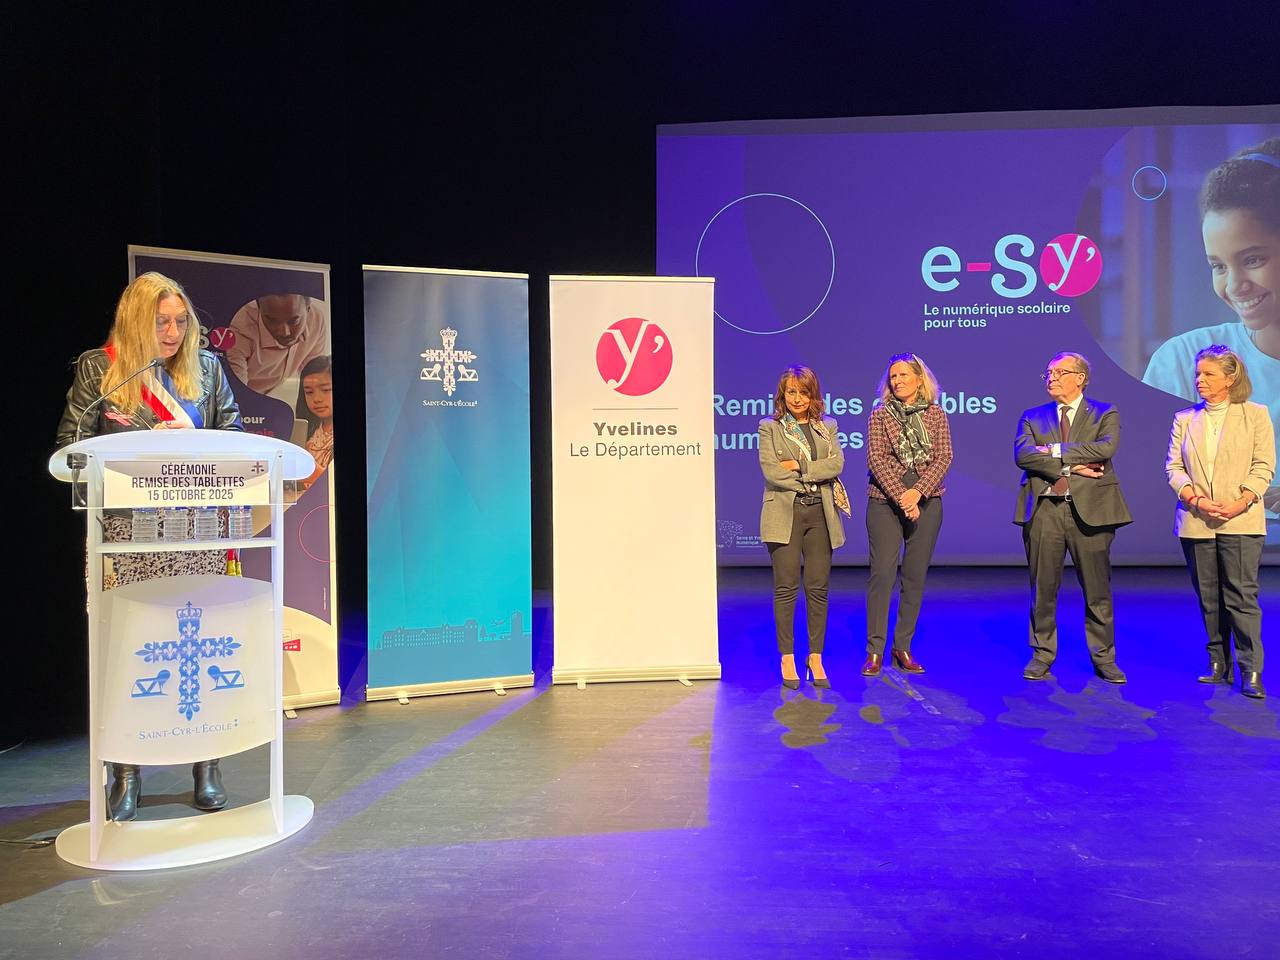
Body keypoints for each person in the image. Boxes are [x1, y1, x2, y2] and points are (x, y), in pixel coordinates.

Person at [56, 272, 244, 821]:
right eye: (161, 321)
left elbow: (233, 437)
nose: (173, 332)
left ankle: (207, 766)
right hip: (128, 537)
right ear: (137, 320)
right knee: (130, 654)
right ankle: (127, 773)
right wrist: (137, 449)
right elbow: (70, 449)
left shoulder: (206, 369)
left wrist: (196, 442)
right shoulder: (101, 368)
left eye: (181, 321)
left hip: (197, 532)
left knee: (202, 651)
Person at [1144, 137, 1280, 519]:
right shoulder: (1181, 361)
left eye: (1252, 259)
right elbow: (1150, 483)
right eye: (1218, 266)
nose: (1234, 286)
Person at [1013, 352, 1132, 683]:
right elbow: (1023, 455)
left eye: (1059, 372)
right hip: (1044, 510)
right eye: (1048, 373)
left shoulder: (1104, 412)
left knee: (1097, 590)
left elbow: (1105, 449)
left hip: (1092, 512)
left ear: (1080, 378)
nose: (1051, 377)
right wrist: (1072, 468)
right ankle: (1042, 653)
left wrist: (1052, 450)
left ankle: (1104, 657)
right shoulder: (1032, 416)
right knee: (1042, 588)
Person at [1165, 346, 1275, 699]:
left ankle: (1251, 669)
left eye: (1208, 374)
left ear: (1230, 379)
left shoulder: (1255, 415)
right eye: (1198, 373)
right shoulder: (1185, 419)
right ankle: (1218, 661)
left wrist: (1241, 501)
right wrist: (1196, 499)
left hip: (1241, 519)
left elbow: (1263, 465)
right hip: (1197, 519)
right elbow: (1174, 468)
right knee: (1209, 597)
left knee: (1241, 596)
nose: (1200, 379)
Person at [758, 365, 850, 688]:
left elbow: (836, 464)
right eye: (791, 392)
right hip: (785, 512)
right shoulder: (770, 427)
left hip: (820, 513)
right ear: (783, 394)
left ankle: (815, 657)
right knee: (786, 588)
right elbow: (771, 471)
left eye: (804, 392)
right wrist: (812, 476)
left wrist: (799, 466)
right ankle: (787, 657)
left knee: (818, 588)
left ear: (814, 394)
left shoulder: (827, 426)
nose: (797, 399)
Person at [862, 353, 953, 677]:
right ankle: (874, 650)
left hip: (927, 501)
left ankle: (902, 646)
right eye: (893, 377)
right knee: (882, 575)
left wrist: (918, 493)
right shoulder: (880, 414)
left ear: (919, 378)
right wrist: (903, 496)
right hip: (884, 502)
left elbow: (944, 457)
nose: (897, 381)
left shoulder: (936, 414)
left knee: (914, 577)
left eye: (903, 375)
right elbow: (876, 459)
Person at [225, 293, 330, 396]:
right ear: (259, 308)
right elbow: (234, 395)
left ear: (308, 309)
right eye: (272, 321)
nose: (284, 332)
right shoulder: (238, 331)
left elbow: (315, 378)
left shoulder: (316, 320)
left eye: (294, 321)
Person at [295, 355, 333, 489]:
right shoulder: (306, 432)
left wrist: (313, 472)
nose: (317, 398)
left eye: (326, 390)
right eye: (309, 392)